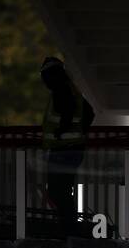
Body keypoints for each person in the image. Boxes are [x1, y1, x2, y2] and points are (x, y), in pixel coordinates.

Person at [39, 56, 95, 236]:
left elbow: (69, 110)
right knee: (62, 192)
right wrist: (79, 132)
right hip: (73, 149)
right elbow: (89, 113)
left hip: (63, 149)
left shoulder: (61, 90)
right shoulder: (71, 89)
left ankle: (70, 230)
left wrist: (62, 130)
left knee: (57, 192)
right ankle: (71, 230)